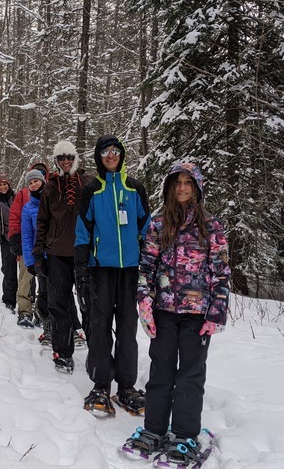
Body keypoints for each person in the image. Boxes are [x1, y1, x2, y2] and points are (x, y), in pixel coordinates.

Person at [120, 162, 230, 466]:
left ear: (197, 187)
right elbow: (146, 267)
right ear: (170, 187)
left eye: (188, 183)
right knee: (161, 372)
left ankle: (184, 435)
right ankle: (154, 429)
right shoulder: (158, 223)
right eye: (177, 182)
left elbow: (221, 272)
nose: (182, 188)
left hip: (198, 315)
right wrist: (145, 304)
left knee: (190, 376)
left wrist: (216, 313)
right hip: (164, 311)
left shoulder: (211, 225)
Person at [74, 135, 150, 415]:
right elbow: (82, 232)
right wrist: (81, 271)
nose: (111, 155)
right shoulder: (91, 190)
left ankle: (126, 387)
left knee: (128, 330)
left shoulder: (134, 188)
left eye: (115, 151)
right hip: (100, 271)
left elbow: (146, 228)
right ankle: (100, 384)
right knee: (100, 328)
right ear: (99, 156)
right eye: (106, 151)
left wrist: (148, 265)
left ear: (122, 155)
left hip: (129, 271)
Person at [34, 140, 90, 374]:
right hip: (57, 254)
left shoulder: (88, 183)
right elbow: (42, 221)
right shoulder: (50, 187)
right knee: (59, 304)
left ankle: (97, 353)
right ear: (56, 161)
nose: (66, 161)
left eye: (69, 157)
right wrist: (38, 252)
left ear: (75, 159)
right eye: (61, 158)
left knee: (89, 305)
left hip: (84, 254)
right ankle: (63, 353)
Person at [8, 161, 49, 329]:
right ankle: (25, 310)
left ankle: (41, 311)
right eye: (31, 180)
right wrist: (14, 237)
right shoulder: (23, 194)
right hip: (28, 245)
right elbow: (14, 216)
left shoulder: (51, 193)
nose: (34, 184)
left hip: (47, 248)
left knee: (45, 282)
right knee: (26, 279)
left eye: (40, 176)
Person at [0, 174, 20, 317]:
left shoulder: (17, 198)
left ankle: (28, 301)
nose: (3, 187)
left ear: (9, 185)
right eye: (0, 185)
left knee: (27, 272)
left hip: (21, 238)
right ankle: (9, 301)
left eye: (4, 184)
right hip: (7, 241)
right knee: (9, 271)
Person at [20, 169, 46, 332]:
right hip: (39, 255)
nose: (34, 184)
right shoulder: (28, 208)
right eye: (30, 183)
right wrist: (30, 262)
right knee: (43, 289)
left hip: (57, 254)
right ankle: (43, 318)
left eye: (36, 181)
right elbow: (27, 236)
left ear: (43, 181)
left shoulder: (53, 201)